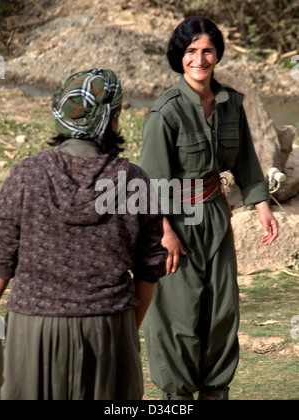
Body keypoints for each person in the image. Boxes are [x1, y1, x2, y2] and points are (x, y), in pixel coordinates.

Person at [0, 69, 168, 400]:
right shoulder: (134, 181)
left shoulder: (25, 176)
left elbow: (0, 266)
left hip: (33, 332)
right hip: (108, 325)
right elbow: (150, 270)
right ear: (112, 120)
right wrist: (123, 333)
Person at [139, 17, 278, 400]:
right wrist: (163, 232)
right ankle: (177, 400)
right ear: (179, 57)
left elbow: (247, 162)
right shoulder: (163, 113)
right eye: (190, 52)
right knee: (179, 319)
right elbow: (149, 186)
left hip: (216, 217)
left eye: (207, 51)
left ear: (216, 55)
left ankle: (216, 393)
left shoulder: (231, 103)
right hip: (174, 227)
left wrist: (263, 206)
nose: (199, 59)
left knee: (221, 314)